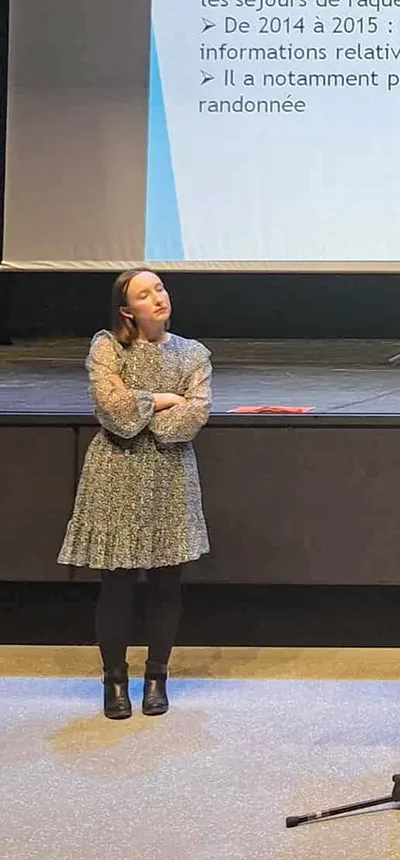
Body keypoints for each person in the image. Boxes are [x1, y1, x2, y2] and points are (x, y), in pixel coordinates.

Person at [58, 269, 212, 720]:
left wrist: (145, 408)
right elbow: (113, 411)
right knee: (117, 582)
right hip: (116, 474)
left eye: (159, 288)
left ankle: (157, 677)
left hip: (170, 475)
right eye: (145, 294)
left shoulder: (193, 353)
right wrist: (165, 398)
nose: (158, 298)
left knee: (167, 581)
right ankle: (114, 680)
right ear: (127, 310)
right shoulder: (107, 346)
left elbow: (193, 416)